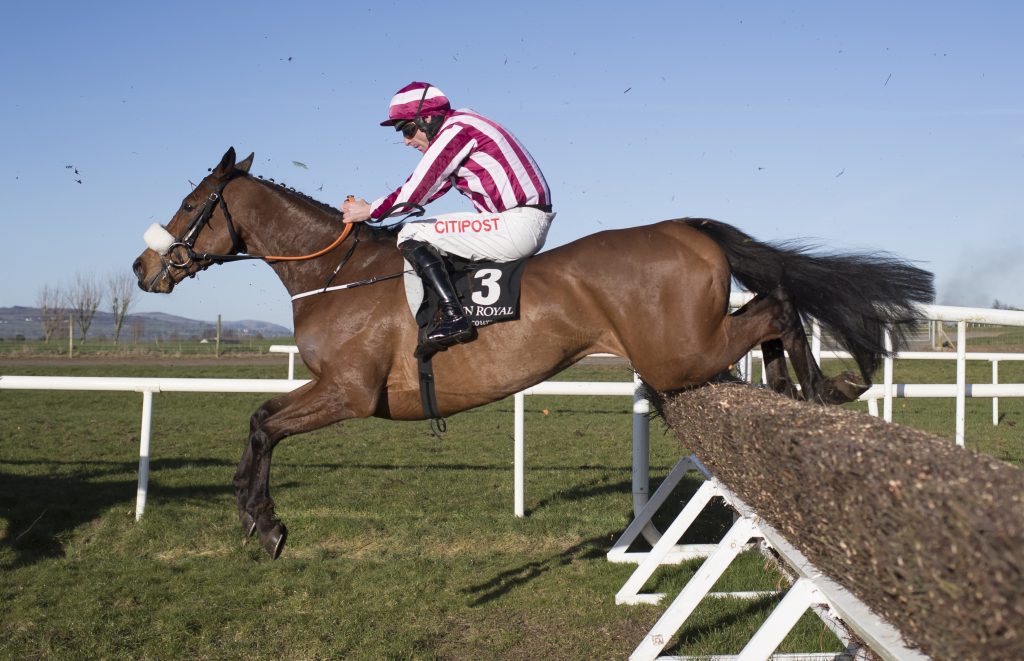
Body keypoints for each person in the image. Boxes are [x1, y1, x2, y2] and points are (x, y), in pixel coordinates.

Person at [342, 81, 554, 354]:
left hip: (515, 224)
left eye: (407, 129)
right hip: (520, 221)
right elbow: (433, 188)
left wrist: (370, 210)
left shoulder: (456, 130)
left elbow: (417, 189)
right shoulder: (463, 125)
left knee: (410, 233)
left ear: (428, 119)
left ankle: (454, 317)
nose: (406, 141)